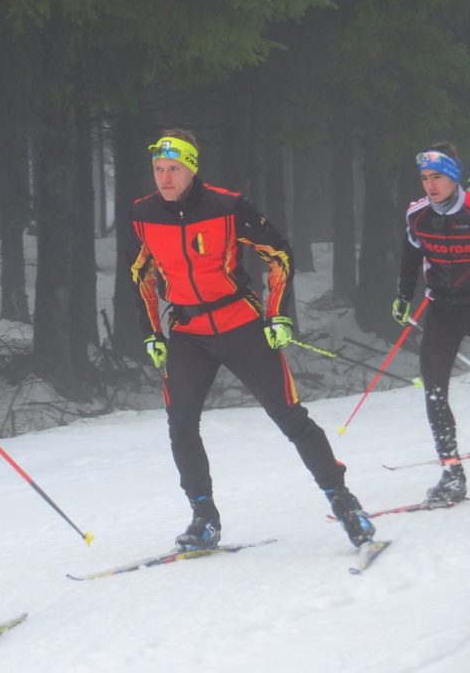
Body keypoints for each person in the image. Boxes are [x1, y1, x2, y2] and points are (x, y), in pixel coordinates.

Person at [128, 128, 376, 550]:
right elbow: (141, 274)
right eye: (158, 169)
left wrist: (278, 314)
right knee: (181, 425)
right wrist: (152, 332)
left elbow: (278, 254)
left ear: (191, 169)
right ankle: (204, 517)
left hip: (239, 322)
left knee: (289, 416)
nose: (164, 178)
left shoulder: (228, 206)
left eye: (173, 168)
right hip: (188, 332)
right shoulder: (144, 214)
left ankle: (344, 501)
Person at [392, 143, 469, 506]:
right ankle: (452, 473)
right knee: (434, 389)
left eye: (437, 177)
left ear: (454, 177)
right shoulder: (417, 215)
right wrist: (403, 296)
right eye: (425, 178)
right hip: (443, 309)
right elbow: (410, 257)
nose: (430, 185)